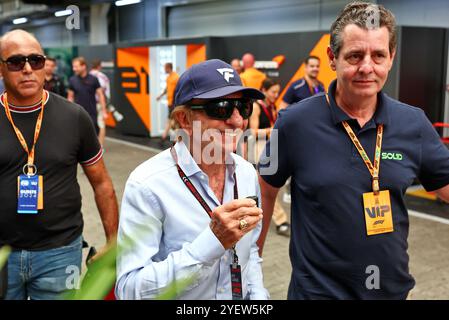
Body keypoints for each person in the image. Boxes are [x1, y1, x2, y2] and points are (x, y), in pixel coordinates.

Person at [257, 1, 449, 300]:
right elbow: (265, 191)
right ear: (333, 58)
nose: (367, 68)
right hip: (317, 293)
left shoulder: (414, 124)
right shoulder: (293, 123)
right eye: (355, 55)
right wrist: (250, 265)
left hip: (390, 292)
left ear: (391, 57)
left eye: (378, 55)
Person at [116, 59, 269, 300]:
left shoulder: (246, 172)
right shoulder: (147, 185)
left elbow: (250, 252)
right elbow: (129, 290)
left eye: (244, 106)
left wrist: (259, 298)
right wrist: (210, 244)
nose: (238, 120)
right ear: (185, 120)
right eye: (221, 107)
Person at [0, 29, 119, 300]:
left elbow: (101, 182)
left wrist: (113, 242)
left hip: (59, 252)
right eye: (17, 62)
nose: (28, 69)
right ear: (1, 69)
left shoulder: (74, 117)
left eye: (36, 60)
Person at [249, 78, 290, 236]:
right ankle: (280, 221)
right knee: (268, 184)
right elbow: (252, 132)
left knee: (269, 185)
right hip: (259, 146)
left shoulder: (272, 106)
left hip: (272, 144)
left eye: (277, 92)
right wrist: (271, 130)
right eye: (273, 91)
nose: (276, 94)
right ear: (264, 91)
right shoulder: (256, 107)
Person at [68, 57, 107, 138]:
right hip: (78, 113)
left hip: (92, 113)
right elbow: (70, 97)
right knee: (79, 135)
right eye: (73, 67)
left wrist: (104, 111)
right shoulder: (72, 80)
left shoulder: (93, 79)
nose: (74, 69)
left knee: (93, 134)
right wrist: (69, 112)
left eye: (76, 67)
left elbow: (100, 95)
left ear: (83, 66)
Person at [156, 62, 179, 146]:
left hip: (174, 103)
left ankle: (172, 140)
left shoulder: (176, 77)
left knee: (172, 122)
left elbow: (178, 89)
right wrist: (160, 96)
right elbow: (167, 89)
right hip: (170, 103)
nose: (164, 69)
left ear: (168, 68)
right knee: (170, 122)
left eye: (165, 68)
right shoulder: (168, 78)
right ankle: (166, 138)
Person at [89, 59, 111, 146]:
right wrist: (105, 106)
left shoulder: (87, 76)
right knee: (101, 124)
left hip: (89, 104)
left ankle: (90, 147)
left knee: (88, 124)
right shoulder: (103, 77)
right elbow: (107, 93)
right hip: (100, 104)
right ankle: (100, 146)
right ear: (99, 66)